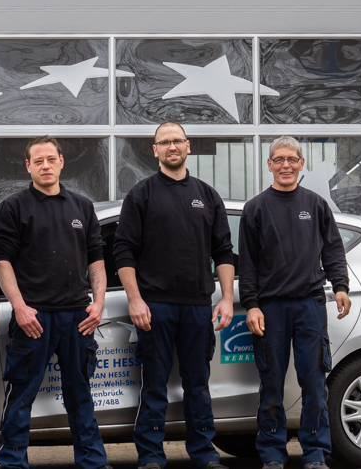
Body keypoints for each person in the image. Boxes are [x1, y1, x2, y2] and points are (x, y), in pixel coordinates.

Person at [113, 122, 234, 469]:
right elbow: (123, 251)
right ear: (155, 150)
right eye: (164, 142)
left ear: (188, 146)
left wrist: (227, 298)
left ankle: (204, 454)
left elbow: (224, 252)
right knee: (154, 385)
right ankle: (151, 456)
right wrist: (135, 299)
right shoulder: (142, 194)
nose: (171, 147)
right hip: (155, 308)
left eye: (177, 141)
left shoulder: (207, 195)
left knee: (198, 385)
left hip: (198, 307)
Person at [0, 136, 112, 469]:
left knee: (80, 394)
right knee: (22, 394)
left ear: (61, 161)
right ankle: (12, 462)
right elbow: (2, 262)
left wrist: (98, 303)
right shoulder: (13, 207)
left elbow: (96, 259)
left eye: (50, 159)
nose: (45, 166)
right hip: (34, 317)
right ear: (28, 166)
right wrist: (19, 307)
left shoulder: (82, 207)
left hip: (77, 317)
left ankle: (93, 462)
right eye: (38, 161)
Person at [237, 136, 352, 469]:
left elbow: (333, 250)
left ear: (301, 164)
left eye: (291, 159)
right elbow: (248, 264)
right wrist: (252, 304)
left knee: (314, 383)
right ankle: (272, 453)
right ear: (269, 164)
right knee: (271, 383)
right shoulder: (255, 209)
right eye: (279, 159)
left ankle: (315, 453)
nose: (285, 165)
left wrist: (341, 286)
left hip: (310, 305)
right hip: (270, 309)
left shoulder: (316, 205)